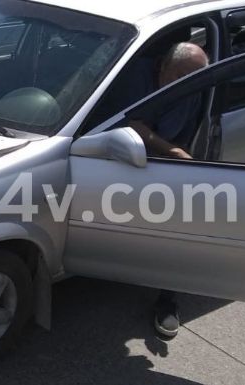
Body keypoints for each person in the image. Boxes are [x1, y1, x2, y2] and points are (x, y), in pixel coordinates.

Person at [102, 42, 209, 338]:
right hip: (131, 156)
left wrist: (179, 156)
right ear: (162, 65)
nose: (188, 86)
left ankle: (168, 299)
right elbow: (129, 123)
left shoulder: (190, 85)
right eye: (180, 77)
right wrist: (173, 150)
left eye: (195, 79)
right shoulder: (134, 75)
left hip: (175, 164)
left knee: (179, 230)